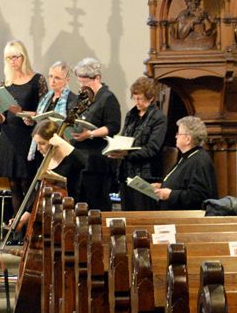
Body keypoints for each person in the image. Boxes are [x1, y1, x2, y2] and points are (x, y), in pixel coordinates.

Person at [0, 41, 47, 219]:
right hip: (9, 137)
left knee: (27, 183)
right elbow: (1, 119)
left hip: (28, 136)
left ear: (23, 57)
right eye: (9, 58)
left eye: (15, 57)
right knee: (13, 185)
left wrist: (27, 114)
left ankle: (29, 226)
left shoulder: (37, 80)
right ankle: (17, 230)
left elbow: (45, 111)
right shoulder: (5, 83)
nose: (12, 61)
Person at [12, 120, 86, 233]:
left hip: (70, 219)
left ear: (53, 141)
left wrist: (62, 143)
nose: (38, 148)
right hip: (49, 219)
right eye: (37, 144)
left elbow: (83, 162)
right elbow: (38, 196)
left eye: (42, 143)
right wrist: (22, 219)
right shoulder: (45, 162)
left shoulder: (70, 160)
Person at [70, 58, 121, 211]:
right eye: (79, 82)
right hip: (80, 157)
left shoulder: (107, 98)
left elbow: (113, 126)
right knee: (80, 203)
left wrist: (91, 133)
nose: (82, 86)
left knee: (97, 203)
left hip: (96, 159)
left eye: (85, 82)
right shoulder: (83, 97)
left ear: (97, 78)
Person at [113, 77, 167, 211]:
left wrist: (128, 153)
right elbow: (125, 137)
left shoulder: (158, 118)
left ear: (151, 98)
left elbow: (152, 148)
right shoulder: (131, 115)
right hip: (126, 172)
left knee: (142, 213)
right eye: (134, 98)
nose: (137, 102)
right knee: (127, 212)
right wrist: (116, 148)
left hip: (146, 174)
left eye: (140, 99)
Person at [152, 116, 218, 210]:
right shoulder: (187, 157)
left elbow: (199, 196)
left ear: (188, 139)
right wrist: (163, 185)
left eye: (178, 133)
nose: (176, 136)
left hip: (189, 220)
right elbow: (182, 183)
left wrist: (171, 194)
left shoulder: (199, 160)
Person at [28, 61, 78, 161]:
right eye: (50, 76)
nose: (52, 81)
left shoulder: (73, 100)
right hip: (41, 147)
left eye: (57, 78)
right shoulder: (46, 98)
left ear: (67, 80)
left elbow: (73, 128)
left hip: (58, 148)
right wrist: (32, 120)